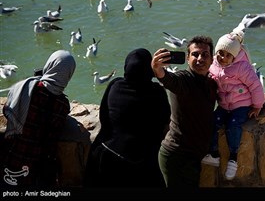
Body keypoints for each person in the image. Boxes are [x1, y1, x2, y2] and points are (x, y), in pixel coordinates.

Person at [84, 48, 171, 187]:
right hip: (143, 164)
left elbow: (104, 117)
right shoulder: (157, 92)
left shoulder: (115, 85)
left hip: (108, 158)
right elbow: (164, 123)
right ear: (149, 68)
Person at [0, 50, 76, 187]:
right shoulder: (63, 105)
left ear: (50, 64)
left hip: (12, 154)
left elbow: (7, 111)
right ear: (69, 74)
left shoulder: (25, 87)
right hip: (36, 165)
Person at [151, 35, 218, 187]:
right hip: (177, 156)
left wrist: (262, 97)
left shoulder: (211, 83)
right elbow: (169, 80)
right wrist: (158, 70)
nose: (200, 58)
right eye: (195, 54)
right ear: (188, 58)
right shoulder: (183, 79)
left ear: (212, 59)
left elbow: (234, 95)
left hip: (194, 157)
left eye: (205, 54)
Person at [201, 31, 265, 181]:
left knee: (233, 125)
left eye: (227, 55)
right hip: (224, 104)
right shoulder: (213, 65)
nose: (223, 58)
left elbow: (256, 86)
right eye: (220, 53)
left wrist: (257, 106)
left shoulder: (243, 68)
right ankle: (214, 154)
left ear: (234, 56)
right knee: (213, 121)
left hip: (242, 104)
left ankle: (233, 158)